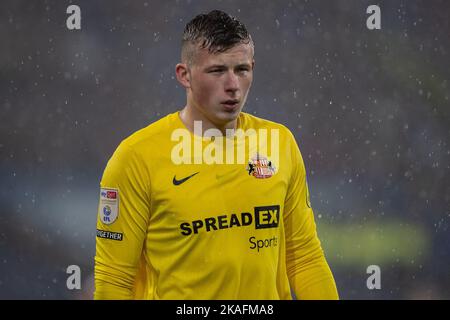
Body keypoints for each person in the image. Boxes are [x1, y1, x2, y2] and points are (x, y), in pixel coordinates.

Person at [94, 9, 338, 300]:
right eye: (217, 70)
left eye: (242, 69)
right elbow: (114, 279)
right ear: (184, 75)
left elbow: (305, 257)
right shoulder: (136, 158)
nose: (232, 85)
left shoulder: (279, 143)